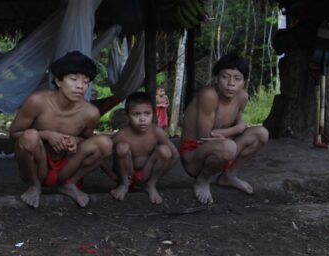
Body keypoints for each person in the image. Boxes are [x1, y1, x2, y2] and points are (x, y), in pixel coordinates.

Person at [10, 51, 113, 208]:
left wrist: (75, 140)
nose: (80, 86)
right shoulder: (37, 101)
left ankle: (69, 185)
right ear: (59, 81)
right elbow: (15, 134)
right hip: (39, 165)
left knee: (105, 143)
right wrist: (48, 135)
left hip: (66, 168)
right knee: (29, 136)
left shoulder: (90, 112)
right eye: (73, 79)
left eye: (85, 82)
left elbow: (88, 140)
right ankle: (34, 185)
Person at [179, 54, 269, 205]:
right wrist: (238, 128)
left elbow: (238, 118)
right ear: (216, 78)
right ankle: (202, 179)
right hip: (195, 155)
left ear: (244, 82)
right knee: (228, 147)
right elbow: (205, 137)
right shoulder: (209, 95)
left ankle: (229, 176)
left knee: (262, 133)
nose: (231, 83)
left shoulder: (242, 97)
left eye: (237, 79)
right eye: (225, 77)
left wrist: (237, 127)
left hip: (222, 145)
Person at [110, 91, 179, 204]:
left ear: (153, 114)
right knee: (122, 147)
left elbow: (175, 155)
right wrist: (112, 175)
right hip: (127, 174)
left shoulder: (156, 131)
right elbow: (101, 154)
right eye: (136, 114)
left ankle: (151, 185)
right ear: (127, 117)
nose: (142, 119)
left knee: (165, 151)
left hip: (146, 174)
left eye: (147, 113)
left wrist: (159, 176)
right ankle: (124, 184)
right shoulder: (122, 134)